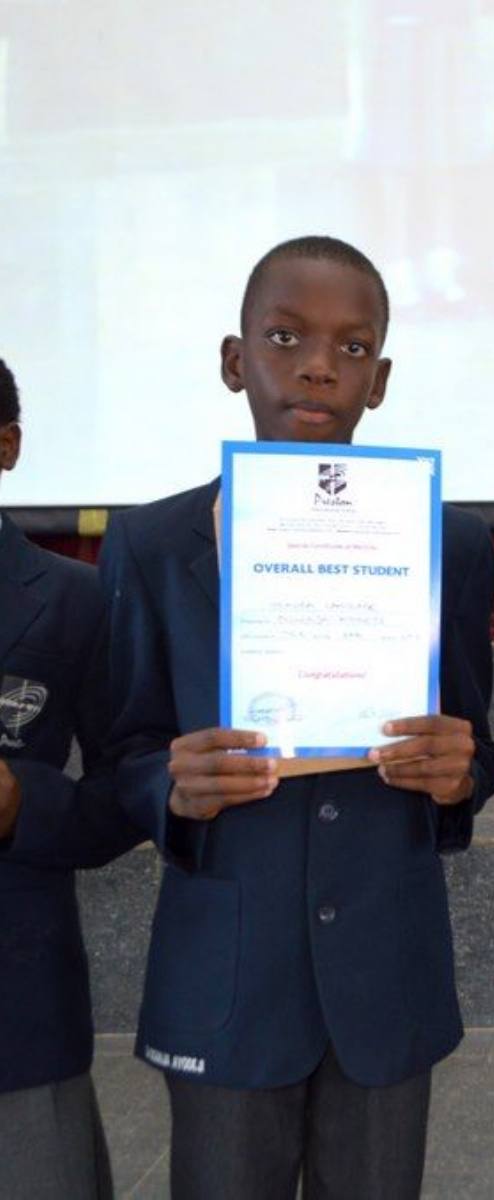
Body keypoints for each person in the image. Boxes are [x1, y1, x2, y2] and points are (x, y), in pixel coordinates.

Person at [98, 236, 494, 1199]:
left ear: (382, 378)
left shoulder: (453, 541)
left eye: (353, 348)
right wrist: (172, 785)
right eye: (285, 337)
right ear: (235, 360)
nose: (319, 364)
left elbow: (475, 749)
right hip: (226, 975)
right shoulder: (152, 544)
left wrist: (461, 771)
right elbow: (121, 751)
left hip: (386, 967)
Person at [0, 357, 143, 1199]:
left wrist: (24, 803)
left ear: (8, 446)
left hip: (15, 1014)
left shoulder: (72, 600)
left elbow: (127, 789)